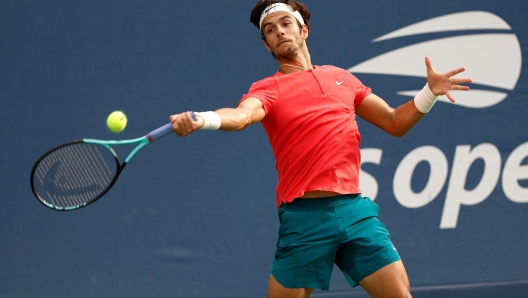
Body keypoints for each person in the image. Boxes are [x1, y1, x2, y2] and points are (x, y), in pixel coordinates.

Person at [170, 1, 472, 297]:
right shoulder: (267, 88)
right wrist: (204, 119)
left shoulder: (340, 77)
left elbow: (394, 122)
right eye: (270, 30)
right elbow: (242, 116)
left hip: (355, 211)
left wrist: (429, 93)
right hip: (304, 219)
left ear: (304, 30)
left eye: (286, 24)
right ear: (267, 45)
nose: (279, 32)